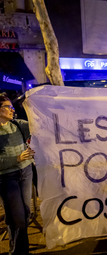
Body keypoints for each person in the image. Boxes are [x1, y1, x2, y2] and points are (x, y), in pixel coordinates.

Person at [0, 92, 35, 255]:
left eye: (12, 107)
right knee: (18, 218)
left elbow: (39, 125)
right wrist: (18, 158)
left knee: (25, 214)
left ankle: (16, 248)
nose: (12, 110)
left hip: (26, 172)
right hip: (7, 177)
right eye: (8, 107)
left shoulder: (18, 125)